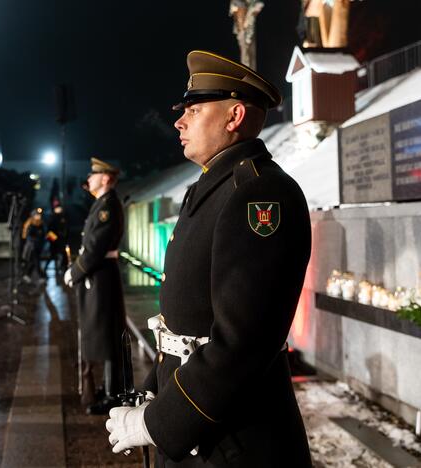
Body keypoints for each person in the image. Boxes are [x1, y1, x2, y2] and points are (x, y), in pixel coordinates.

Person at [105, 50, 313, 467]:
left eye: (194, 110)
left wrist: (160, 422)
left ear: (234, 116)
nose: (179, 121)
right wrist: (156, 388)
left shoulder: (258, 194)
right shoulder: (214, 189)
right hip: (201, 421)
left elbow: (243, 341)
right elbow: (187, 320)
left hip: (232, 441)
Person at [64, 157, 126, 414]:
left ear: (106, 178)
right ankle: (109, 387)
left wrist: (75, 271)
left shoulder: (107, 206)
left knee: (108, 335)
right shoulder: (101, 204)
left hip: (101, 275)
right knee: (102, 334)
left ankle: (114, 393)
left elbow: (95, 247)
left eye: (93, 175)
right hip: (98, 275)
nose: (88, 179)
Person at [44, 202, 68, 277]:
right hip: (54, 241)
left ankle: (64, 269)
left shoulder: (63, 217)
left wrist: (64, 237)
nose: (59, 210)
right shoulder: (52, 218)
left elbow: (66, 228)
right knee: (52, 256)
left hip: (61, 240)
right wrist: (55, 239)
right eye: (58, 208)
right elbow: (49, 231)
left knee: (64, 256)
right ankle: (46, 269)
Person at [21, 208, 45, 283]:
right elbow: (26, 236)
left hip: (38, 246)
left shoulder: (41, 223)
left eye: (39, 215)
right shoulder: (29, 224)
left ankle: (27, 275)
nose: (39, 217)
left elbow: (45, 234)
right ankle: (42, 276)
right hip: (32, 247)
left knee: (33, 262)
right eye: (37, 215)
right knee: (35, 261)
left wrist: (54, 239)